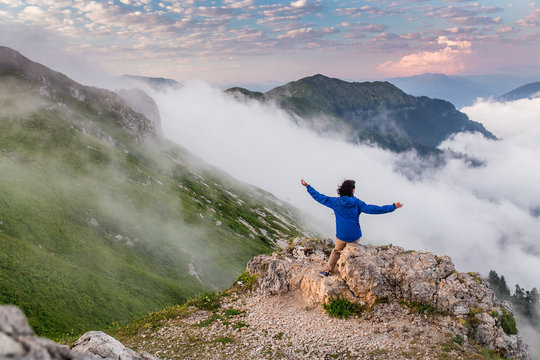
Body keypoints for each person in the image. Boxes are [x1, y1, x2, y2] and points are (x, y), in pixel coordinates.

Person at [300, 178, 403, 277]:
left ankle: (328, 270)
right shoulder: (357, 203)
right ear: (352, 190)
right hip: (355, 236)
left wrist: (308, 186)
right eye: (354, 187)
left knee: (336, 251)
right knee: (350, 250)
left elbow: (319, 197)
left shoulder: (336, 202)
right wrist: (393, 207)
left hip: (342, 236)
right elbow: (374, 209)